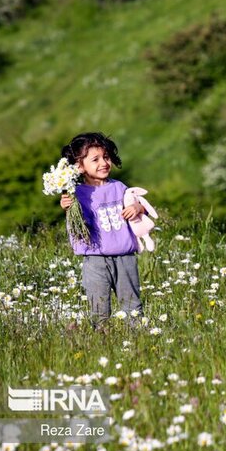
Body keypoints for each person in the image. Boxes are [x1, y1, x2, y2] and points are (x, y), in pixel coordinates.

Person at [59, 132, 145, 331]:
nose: (103, 163)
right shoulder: (76, 193)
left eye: (106, 157)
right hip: (95, 259)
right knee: (98, 306)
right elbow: (73, 215)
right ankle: (101, 338)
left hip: (125, 257)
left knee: (132, 304)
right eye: (95, 159)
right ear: (79, 166)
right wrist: (65, 205)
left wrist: (137, 208)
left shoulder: (119, 187)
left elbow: (142, 206)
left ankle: (139, 336)